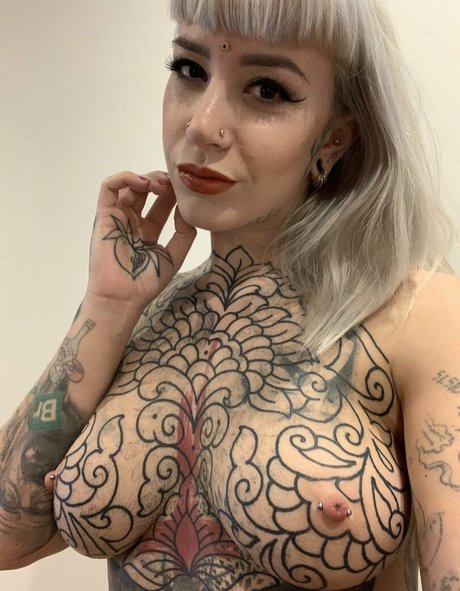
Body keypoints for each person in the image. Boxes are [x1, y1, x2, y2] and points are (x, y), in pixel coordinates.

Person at [0, 0, 458, 589]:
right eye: (190, 70)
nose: (202, 125)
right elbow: (8, 540)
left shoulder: (422, 315)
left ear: (335, 139)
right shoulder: (141, 317)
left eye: (267, 89)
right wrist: (107, 306)